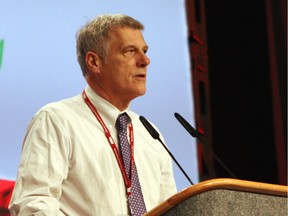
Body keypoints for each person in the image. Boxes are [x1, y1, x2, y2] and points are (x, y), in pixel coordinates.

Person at [9, 14, 177, 215]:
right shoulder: (57, 120)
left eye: (145, 51)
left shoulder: (150, 134)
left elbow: (171, 210)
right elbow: (33, 203)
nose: (145, 60)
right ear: (94, 62)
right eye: (130, 51)